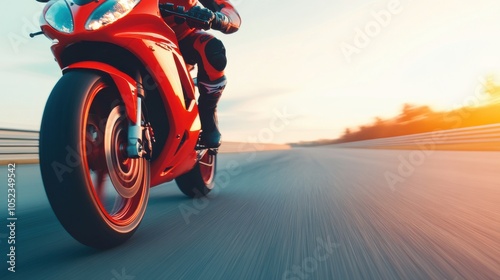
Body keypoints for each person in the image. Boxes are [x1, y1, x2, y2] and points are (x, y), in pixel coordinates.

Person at [160, 0, 241, 148]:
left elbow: (231, 15)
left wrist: (215, 18)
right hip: (133, 31)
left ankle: (207, 112)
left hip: (182, 39)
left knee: (212, 50)